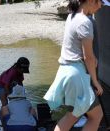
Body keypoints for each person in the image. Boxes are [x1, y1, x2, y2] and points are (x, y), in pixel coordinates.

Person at [43, 0, 104, 131]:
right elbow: (88, 57)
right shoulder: (85, 22)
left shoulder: (72, 16)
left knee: (73, 115)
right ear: (91, 1)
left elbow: (77, 48)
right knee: (96, 115)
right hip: (77, 75)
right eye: (100, 2)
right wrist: (95, 82)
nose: (101, 6)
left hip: (66, 73)